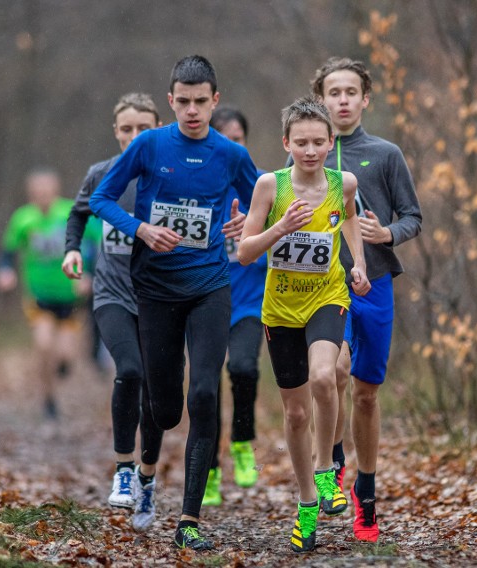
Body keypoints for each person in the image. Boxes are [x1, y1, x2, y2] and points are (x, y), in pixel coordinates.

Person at [89, 55, 260, 551]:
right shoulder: (148, 145)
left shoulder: (229, 154)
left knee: (204, 394)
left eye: (200, 102)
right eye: (182, 102)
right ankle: (143, 480)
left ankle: (189, 519)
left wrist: (244, 223)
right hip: (155, 290)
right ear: (170, 102)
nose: (191, 110)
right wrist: (140, 227)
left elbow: (262, 199)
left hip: (210, 287)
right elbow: (101, 199)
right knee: (163, 409)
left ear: (215, 101)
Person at [237, 95, 371, 553]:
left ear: (331, 143)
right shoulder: (269, 187)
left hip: (327, 298)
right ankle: (307, 503)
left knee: (324, 377)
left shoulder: (344, 183)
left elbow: (350, 219)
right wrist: (280, 229)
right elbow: (245, 252)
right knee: (294, 414)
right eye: (302, 143)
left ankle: (327, 470)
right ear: (286, 144)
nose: (311, 150)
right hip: (279, 309)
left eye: (319, 142)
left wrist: (359, 264)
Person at [311, 56, 422, 542]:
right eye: (333, 92)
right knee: (332, 370)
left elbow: (413, 216)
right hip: (322, 285)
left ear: (364, 99)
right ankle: (332, 465)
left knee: (366, 392)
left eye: (350, 92)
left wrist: (387, 233)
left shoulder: (385, 153)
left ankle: (366, 492)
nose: (341, 100)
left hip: (374, 282)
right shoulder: (308, 154)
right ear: (321, 99)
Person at [61, 93, 164, 532]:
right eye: (127, 129)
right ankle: (123, 470)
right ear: (116, 132)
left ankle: (147, 476)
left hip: (162, 299)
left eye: (144, 128)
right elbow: (78, 213)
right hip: (112, 294)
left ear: (159, 129)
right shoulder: (102, 174)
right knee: (130, 371)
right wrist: (71, 251)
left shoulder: (172, 172)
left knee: (158, 395)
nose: (135, 136)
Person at [202, 106, 267, 506]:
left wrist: (257, 231)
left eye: (237, 138)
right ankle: (208, 469)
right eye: (222, 137)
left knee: (243, 368)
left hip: (248, 302)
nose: (231, 145)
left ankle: (243, 442)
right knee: (205, 389)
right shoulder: (200, 186)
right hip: (206, 301)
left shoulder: (263, 187)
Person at [0, 168, 88, 420]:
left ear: (56, 191)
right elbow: (8, 251)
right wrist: (5, 271)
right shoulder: (23, 219)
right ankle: (48, 399)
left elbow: (92, 243)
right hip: (39, 295)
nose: (43, 197)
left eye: (47, 192)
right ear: (30, 194)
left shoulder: (71, 212)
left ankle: (63, 367)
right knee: (44, 346)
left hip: (70, 295)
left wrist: (88, 274)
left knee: (65, 355)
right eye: (37, 193)